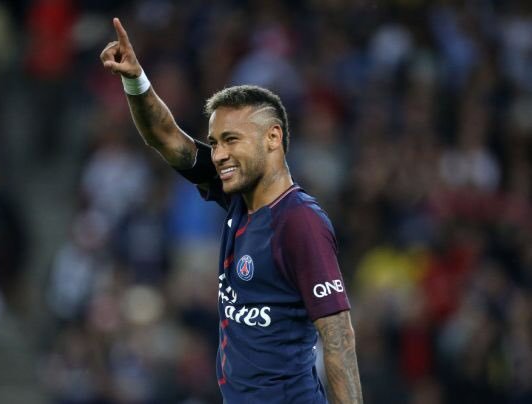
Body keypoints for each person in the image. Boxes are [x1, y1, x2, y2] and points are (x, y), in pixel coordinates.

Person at [100, 17, 363, 403]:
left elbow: (338, 338)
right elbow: (166, 138)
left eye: (231, 140)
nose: (219, 154)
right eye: (215, 142)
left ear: (272, 138)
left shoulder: (299, 221)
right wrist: (136, 80)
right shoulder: (238, 198)